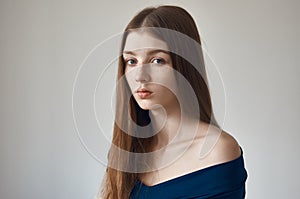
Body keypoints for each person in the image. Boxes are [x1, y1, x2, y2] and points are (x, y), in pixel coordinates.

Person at [99, 5, 247, 199]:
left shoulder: (217, 151)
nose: (140, 76)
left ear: (185, 65)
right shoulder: (127, 149)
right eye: (132, 61)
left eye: (157, 60)